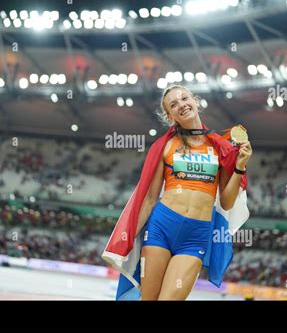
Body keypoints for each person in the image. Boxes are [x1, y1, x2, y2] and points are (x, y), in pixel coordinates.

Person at [103, 84, 252, 300]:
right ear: (170, 115)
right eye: (174, 104)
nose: (181, 105)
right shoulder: (165, 147)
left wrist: (240, 166)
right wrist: (127, 240)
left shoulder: (220, 148)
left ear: (196, 101)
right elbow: (150, 198)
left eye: (184, 99)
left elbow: (227, 203)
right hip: (161, 229)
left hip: (196, 236)